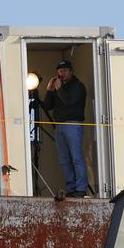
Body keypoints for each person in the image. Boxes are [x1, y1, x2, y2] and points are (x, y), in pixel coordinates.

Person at [44, 59, 89, 197]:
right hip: (60, 126)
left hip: (73, 124)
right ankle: (71, 188)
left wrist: (59, 89)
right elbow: (47, 106)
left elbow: (69, 100)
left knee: (76, 157)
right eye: (59, 72)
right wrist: (50, 90)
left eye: (64, 71)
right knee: (64, 159)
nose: (61, 74)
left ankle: (81, 188)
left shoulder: (78, 86)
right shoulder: (59, 88)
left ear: (71, 72)